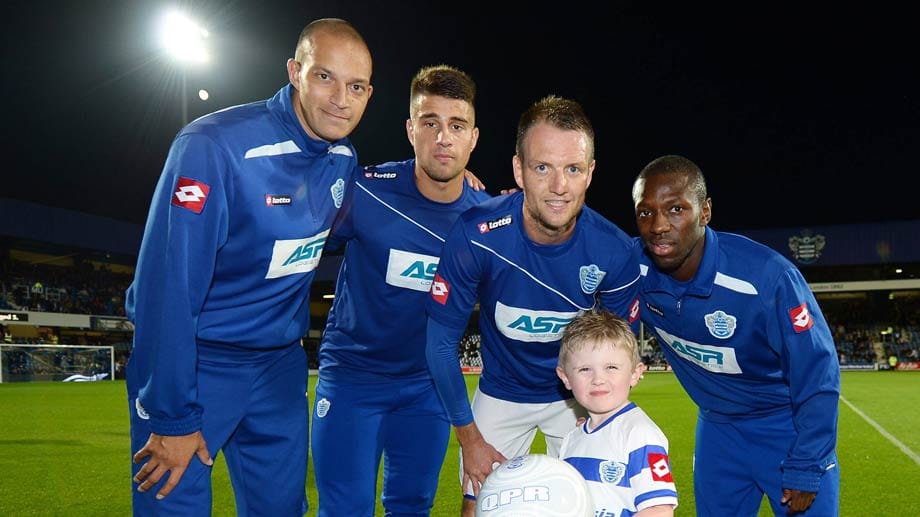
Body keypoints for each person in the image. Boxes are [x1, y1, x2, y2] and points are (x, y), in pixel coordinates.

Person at [124, 18, 373, 516]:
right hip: (200, 361)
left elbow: (356, 225)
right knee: (172, 504)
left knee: (282, 509)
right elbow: (167, 289)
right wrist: (172, 415)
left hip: (278, 366)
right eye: (325, 77)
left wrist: (457, 197)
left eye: (357, 86)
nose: (341, 99)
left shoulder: (342, 159)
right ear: (294, 71)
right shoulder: (213, 147)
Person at [425, 94, 641, 516]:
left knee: (593, 505)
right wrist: (470, 439)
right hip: (501, 392)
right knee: (477, 506)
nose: (559, 186)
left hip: (576, 400)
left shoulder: (614, 250)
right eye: (542, 168)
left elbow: (620, 347)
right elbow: (438, 344)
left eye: (573, 169)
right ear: (519, 170)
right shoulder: (477, 235)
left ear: (590, 174)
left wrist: (604, 418)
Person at [310, 64, 491, 516]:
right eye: (430, 123)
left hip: (426, 389)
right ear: (411, 130)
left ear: (473, 138)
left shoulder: (488, 222)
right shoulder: (366, 193)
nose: (443, 138)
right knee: (345, 510)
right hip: (352, 379)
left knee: (412, 508)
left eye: (456, 126)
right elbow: (297, 234)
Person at [631, 154, 840, 516]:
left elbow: (817, 372)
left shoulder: (767, 278)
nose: (659, 225)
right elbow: (578, 250)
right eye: (645, 212)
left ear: (705, 211)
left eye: (676, 209)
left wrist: (806, 464)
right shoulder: (631, 269)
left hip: (785, 426)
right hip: (718, 430)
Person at [556, 308, 678, 517]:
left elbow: (659, 510)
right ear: (565, 377)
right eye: (585, 369)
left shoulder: (639, 434)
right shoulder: (571, 439)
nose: (598, 379)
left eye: (611, 367)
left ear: (635, 374)